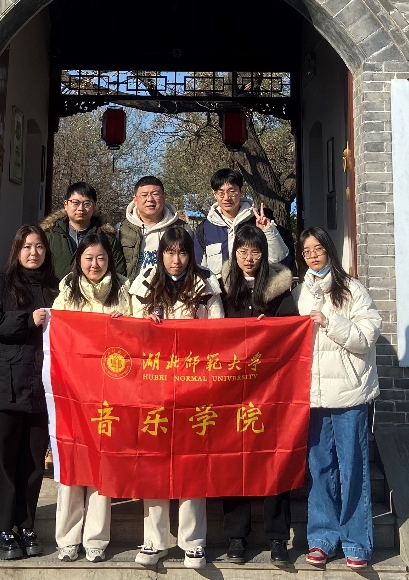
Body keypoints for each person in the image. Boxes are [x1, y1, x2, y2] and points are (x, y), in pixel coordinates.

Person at [129, 225, 223, 570]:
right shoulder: (143, 285)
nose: (176, 259)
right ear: (161, 254)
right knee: (154, 462)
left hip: (194, 388)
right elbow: (131, 335)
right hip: (154, 388)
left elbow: (219, 335)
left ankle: (193, 541)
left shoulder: (207, 286)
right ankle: (153, 540)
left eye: (183, 252)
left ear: (191, 254)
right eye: (170, 251)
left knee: (192, 461)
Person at [293, 226, 381, 571]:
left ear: (329, 249)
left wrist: (330, 321)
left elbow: (366, 338)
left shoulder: (352, 290)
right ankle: (322, 539)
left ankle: (356, 541)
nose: (313, 256)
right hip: (313, 396)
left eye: (318, 249)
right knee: (320, 469)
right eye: (307, 251)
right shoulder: (299, 293)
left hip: (349, 394)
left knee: (353, 468)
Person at [0, 224, 58, 560]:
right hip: (2, 389)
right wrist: (27, 320)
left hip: (40, 390)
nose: (33, 253)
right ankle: (2, 529)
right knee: (3, 461)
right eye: (27, 247)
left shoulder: (56, 289)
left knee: (33, 464)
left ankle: (26, 525)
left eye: (39, 247)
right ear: (17, 250)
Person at [218, 224, 298, 565]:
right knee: (233, 460)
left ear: (264, 254)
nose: (248, 258)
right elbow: (209, 330)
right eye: (242, 251)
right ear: (234, 254)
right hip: (232, 389)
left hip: (270, 389)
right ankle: (236, 536)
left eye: (255, 251)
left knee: (273, 460)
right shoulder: (222, 288)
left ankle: (278, 538)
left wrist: (273, 329)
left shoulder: (279, 289)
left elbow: (293, 333)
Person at [51, 232, 130, 563]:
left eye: (100, 258)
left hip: (110, 391)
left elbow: (138, 333)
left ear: (109, 259)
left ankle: (96, 538)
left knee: (101, 464)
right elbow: (56, 333)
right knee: (73, 462)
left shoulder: (123, 290)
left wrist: (124, 324)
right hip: (74, 392)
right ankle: (67, 537)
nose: (95, 264)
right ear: (79, 261)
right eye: (88, 258)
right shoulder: (67, 290)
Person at [194, 168, 288, 276]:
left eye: (232, 191)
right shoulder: (205, 229)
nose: (226, 198)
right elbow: (198, 268)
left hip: (254, 285)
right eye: (221, 192)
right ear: (214, 194)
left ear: (241, 191)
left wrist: (268, 231)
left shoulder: (258, 222)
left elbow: (278, 260)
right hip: (219, 287)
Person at [41, 182, 124, 282]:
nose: (81, 208)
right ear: (66, 205)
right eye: (75, 203)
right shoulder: (49, 235)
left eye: (87, 204)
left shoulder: (107, 238)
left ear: (94, 207)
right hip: (55, 291)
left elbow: (118, 274)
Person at [118, 175, 181, 282]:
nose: (150, 199)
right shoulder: (121, 229)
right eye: (144, 195)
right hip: (133, 290)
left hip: (171, 289)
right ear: (135, 200)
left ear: (164, 197)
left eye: (155, 194)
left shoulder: (181, 229)